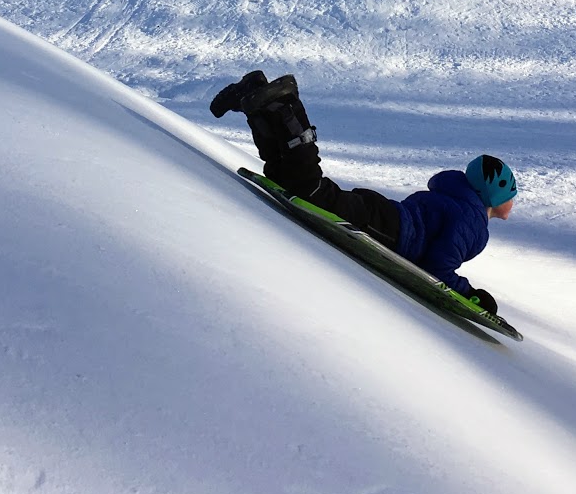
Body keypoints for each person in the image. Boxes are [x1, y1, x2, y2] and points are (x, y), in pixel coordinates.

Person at [210, 71, 517, 314]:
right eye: (510, 193)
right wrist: (470, 295)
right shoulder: (473, 222)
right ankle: (285, 101)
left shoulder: (453, 200)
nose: (513, 201)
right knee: (312, 192)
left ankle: (258, 102)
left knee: (285, 177)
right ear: (494, 193)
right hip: (388, 228)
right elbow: (438, 265)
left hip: (385, 215)